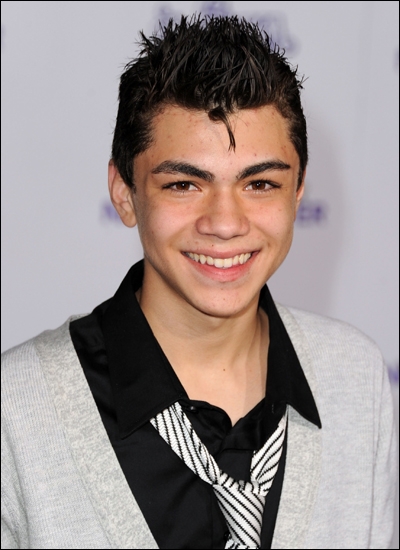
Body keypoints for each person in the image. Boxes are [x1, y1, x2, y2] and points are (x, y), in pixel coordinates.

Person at [1, 14, 396, 550]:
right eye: (185, 184)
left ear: (299, 190)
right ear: (124, 193)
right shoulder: (16, 408)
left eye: (260, 183)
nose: (225, 223)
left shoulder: (355, 379)